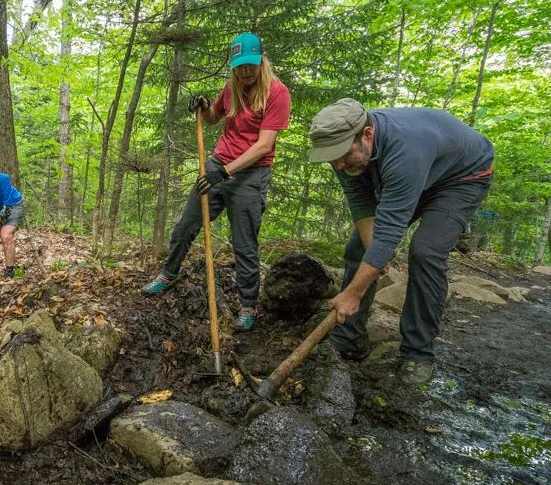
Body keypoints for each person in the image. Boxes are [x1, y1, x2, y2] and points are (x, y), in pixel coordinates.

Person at [308, 98, 494, 386]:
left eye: (342, 155)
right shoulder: (340, 149)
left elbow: (389, 231)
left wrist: (352, 294)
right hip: (418, 170)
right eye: (331, 158)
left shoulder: (405, 149)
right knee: (359, 248)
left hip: (461, 178)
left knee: (426, 251)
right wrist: (374, 254)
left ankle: (418, 354)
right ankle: (349, 338)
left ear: (367, 134)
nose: (338, 165)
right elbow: (361, 202)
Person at [141, 33, 291, 332]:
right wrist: (205, 105)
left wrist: (224, 172)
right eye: (240, 66)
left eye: (250, 65)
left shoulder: (277, 93)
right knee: (186, 225)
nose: (245, 72)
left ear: (262, 60)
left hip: (250, 175)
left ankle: (248, 305)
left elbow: (264, 145)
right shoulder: (232, 87)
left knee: (244, 242)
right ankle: (167, 274)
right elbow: (213, 118)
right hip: (218, 165)